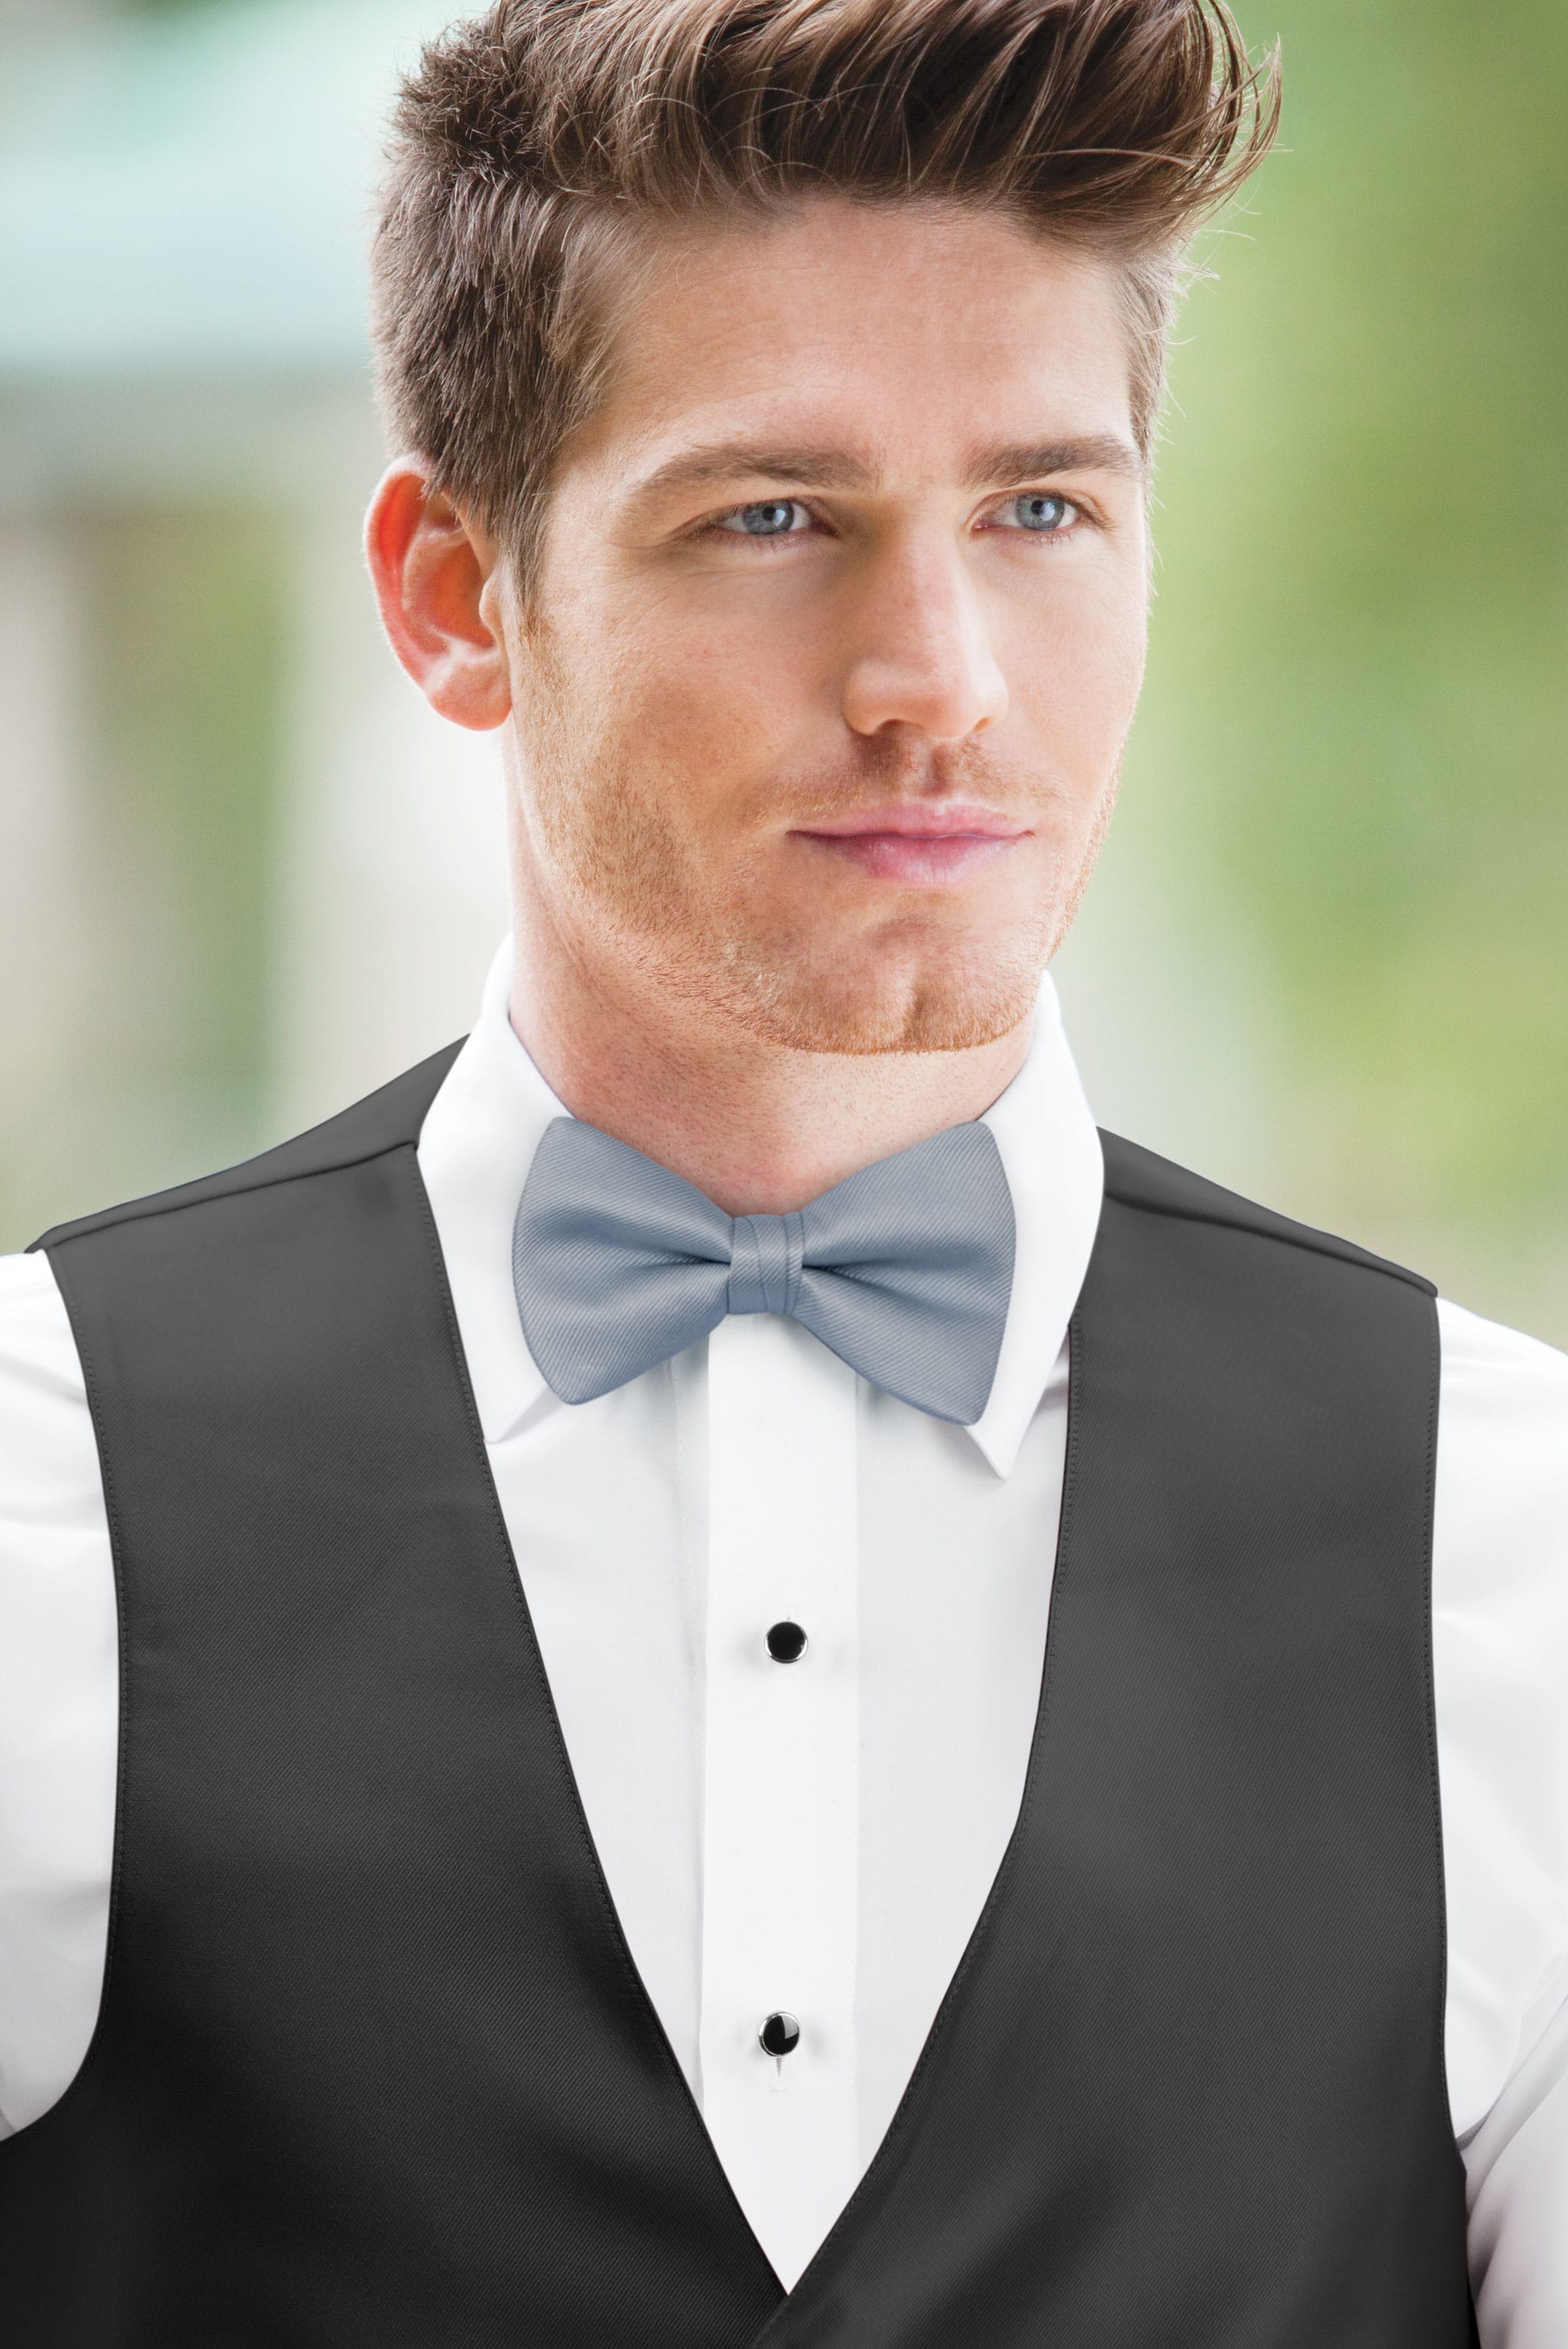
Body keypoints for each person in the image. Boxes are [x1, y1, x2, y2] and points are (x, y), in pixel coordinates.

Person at [0, 0, 1563, 2338]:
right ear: (453, 595)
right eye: (773, 517)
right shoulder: (35, 1495)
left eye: (1040, 508)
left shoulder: (1516, 1547)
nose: (937, 673)